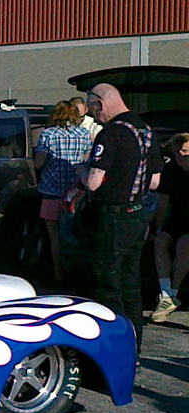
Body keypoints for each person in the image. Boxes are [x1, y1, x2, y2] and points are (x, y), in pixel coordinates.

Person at [79, 84, 162, 354]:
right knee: (131, 285)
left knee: (108, 287)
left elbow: (93, 182)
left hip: (113, 217)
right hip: (137, 215)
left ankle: (113, 351)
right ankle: (133, 349)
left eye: (93, 109)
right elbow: (154, 181)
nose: (93, 116)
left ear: (100, 103)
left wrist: (81, 170)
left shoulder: (111, 133)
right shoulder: (147, 131)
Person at [33, 101, 92, 282]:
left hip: (52, 190)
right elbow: (86, 161)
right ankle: (77, 274)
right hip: (75, 192)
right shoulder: (85, 134)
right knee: (75, 234)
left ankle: (58, 274)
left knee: (54, 237)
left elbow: (39, 163)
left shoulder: (48, 135)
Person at [150, 132, 189, 322]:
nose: (182, 156)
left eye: (186, 152)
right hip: (177, 216)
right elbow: (163, 200)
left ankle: (172, 293)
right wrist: (159, 226)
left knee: (184, 244)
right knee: (161, 241)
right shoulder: (171, 169)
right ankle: (165, 293)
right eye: (178, 152)